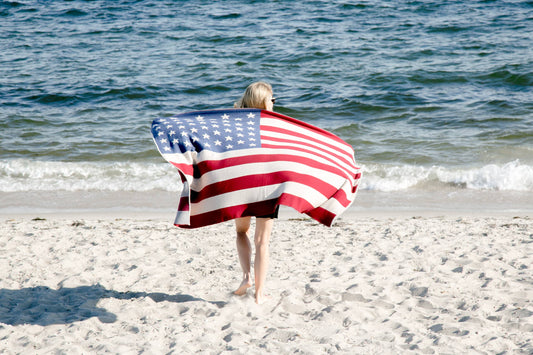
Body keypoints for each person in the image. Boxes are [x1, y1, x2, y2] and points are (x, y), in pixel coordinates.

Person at [232, 81, 277, 304]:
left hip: (242, 183)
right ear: (263, 101)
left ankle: (246, 277)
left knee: (241, 232)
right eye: (272, 99)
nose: (275, 103)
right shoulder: (277, 125)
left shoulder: (234, 124)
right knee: (263, 242)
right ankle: (259, 294)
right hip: (267, 186)